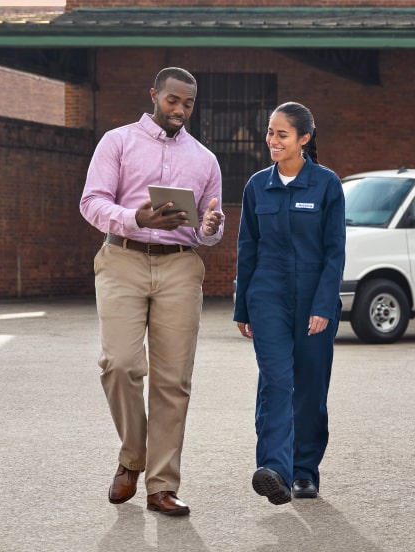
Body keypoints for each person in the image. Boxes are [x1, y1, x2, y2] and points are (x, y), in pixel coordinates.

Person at [80, 66, 224, 517]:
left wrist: (210, 228)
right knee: (119, 364)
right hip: (122, 257)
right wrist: (135, 219)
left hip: (181, 266)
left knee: (173, 380)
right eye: (173, 100)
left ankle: (162, 485)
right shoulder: (117, 142)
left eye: (188, 104)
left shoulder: (205, 160)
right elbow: (92, 201)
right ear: (154, 96)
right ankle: (132, 458)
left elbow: (207, 229)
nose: (180, 110)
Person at [234, 102, 346, 505]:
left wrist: (323, 306)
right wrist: (241, 307)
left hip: (314, 299)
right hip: (267, 296)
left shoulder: (326, 185)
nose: (272, 140)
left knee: (310, 388)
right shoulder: (256, 186)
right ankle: (274, 470)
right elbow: (248, 248)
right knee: (277, 381)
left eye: (281, 134)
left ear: (304, 139)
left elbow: (335, 252)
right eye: (269, 132)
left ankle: (304, 471)